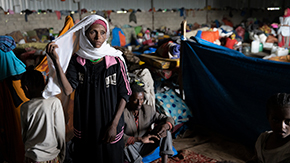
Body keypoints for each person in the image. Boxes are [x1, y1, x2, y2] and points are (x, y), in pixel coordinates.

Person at [45, 15, 131, 163]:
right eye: (93, 32)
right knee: (87, 157)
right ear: (84, 34)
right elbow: (67, 90)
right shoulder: (77, 61)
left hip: (109, 123)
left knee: (112, 158)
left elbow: (125, 94)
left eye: (103, 32)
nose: (98, 37)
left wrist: (114, 125)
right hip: (86, 123)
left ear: (107, 34)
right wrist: (57, 62)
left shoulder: (116, 60)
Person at [20, 68, 66, 163]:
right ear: (44, 84)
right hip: (51, 156)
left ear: (26, 88)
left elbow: (24, 135)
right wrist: (62, 153)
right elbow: (60, 132)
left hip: (32, 157)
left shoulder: (25, 107)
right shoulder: (54, 102)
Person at [124, 83, 175, 163]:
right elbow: (117, 136)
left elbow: (168, 118)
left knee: (166, 129)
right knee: (122, 144)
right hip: (132, 148)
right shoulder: (122, 113)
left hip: (146, 145)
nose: (139, 103)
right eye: (135, 100)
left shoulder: (148, 109)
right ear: (129, 99)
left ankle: (164, 160)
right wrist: (139, 139)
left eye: (141, 99)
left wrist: (165, 126)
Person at [253, 93, 290, 163]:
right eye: (276, 120)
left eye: (288, 121)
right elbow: (256, 159)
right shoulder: (262, 140)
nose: (282, 126)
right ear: (268, 117)